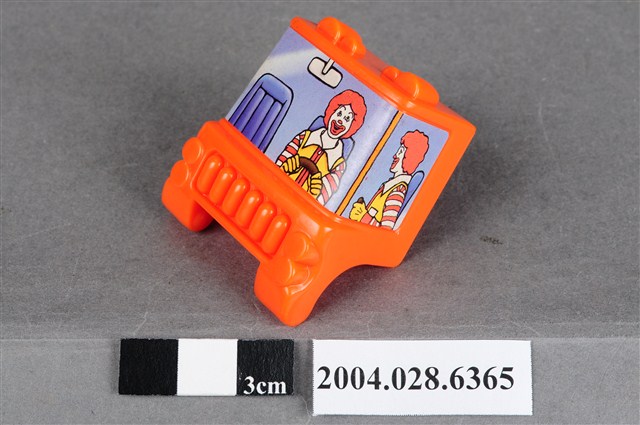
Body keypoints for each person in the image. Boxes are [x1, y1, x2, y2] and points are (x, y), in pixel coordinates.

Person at [276, 90, 367, 205]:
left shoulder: (339, 164)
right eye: (339, 114)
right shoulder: (304, 137)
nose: (340, 120)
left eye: (347, 119)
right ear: (332, 112)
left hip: (301, 205)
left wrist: (315, 190)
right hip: (278, 188)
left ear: (351, 126)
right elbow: (280, 161)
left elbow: (324, 196)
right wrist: (286, 166)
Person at [349, 130, 429, 229]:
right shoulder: (389, 186)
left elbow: (386, 229)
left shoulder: (397, 191)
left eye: (401, 151)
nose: (395, 155)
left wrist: (362, 216)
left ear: (409, 156)